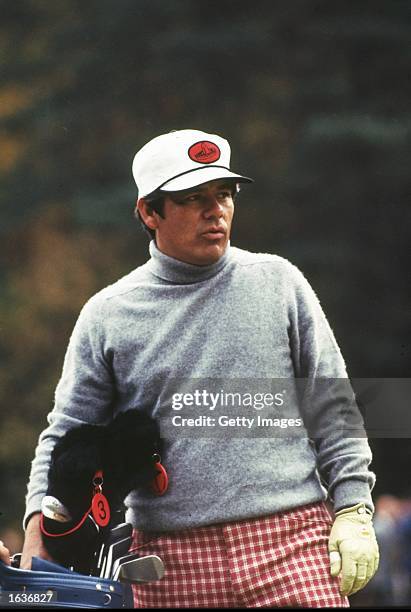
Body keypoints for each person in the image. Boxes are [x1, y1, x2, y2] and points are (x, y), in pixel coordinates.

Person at [21, 129, 379, 607]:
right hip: (168, 561)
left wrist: (354, 506)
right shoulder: (107, 314)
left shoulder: (280, 282)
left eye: (225, 194)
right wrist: (36, 533)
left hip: (294, 542)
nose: (217, 211)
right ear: (149, 211)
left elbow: (333, 406)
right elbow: (66, 432)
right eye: (193, 199)